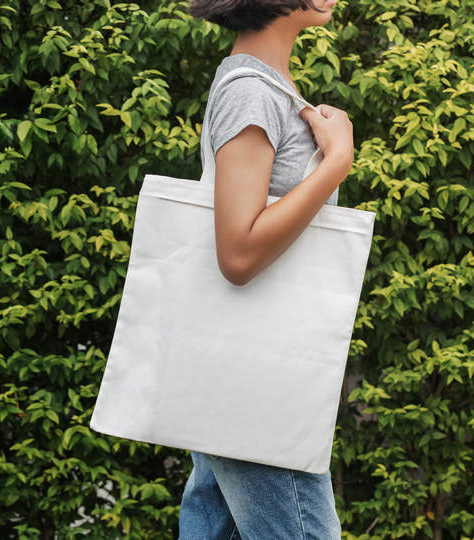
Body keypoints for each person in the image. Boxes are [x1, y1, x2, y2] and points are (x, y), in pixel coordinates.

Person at [178, 0, 351, 538]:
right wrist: (338, 161)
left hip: (237, 373)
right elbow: (238, 251)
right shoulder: (250, 90)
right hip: (257, 388)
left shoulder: (272, 89)